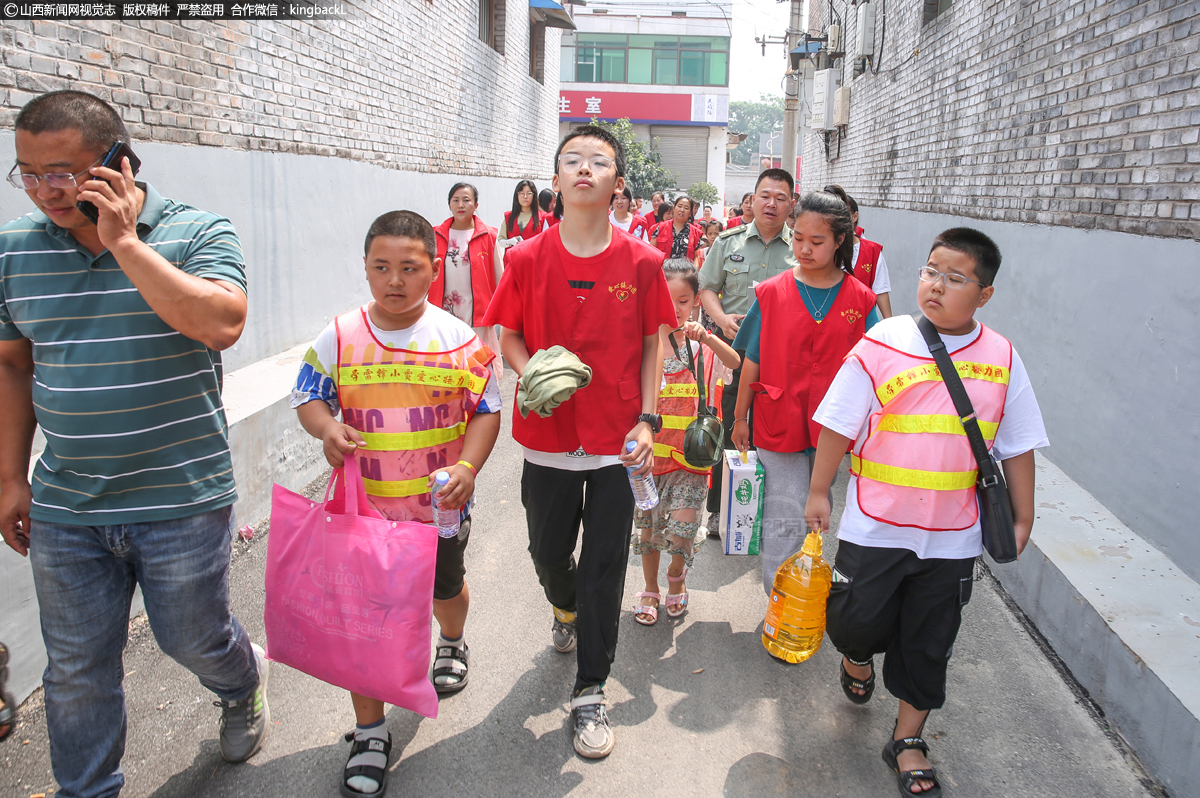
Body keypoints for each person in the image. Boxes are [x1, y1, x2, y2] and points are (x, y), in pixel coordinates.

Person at [0, 90, 265, 797]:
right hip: (67, 504)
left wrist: (124, 242)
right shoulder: (13, 251)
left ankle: (243, 682)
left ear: (116, 163)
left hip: (181, 496)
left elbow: (221, 324)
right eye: (25, 172)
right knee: (77, 669)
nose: (42, 190)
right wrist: (10, 476)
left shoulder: (197, 231)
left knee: (192, 638)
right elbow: (14, 365)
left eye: (60, 172)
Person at [805, 228, 1047, 798]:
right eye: (930, 271)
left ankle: (908, 738)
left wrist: (1023, 515)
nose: (935, 285)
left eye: (955, 277)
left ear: (984, 293)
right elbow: (839, 421)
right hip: (875, 522)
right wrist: (820, 490)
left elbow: (1017, 444)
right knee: (851, 622)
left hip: (953, 535)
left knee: (930, 639)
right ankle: (858, 659)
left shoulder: (1003, 357)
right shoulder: (884, 340)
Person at [483, 124, 677, 760]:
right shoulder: (526, 258)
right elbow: (505, 332)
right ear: (556, 179)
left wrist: (648, 418)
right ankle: (563, 608)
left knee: (603, 569)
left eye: (600, 161)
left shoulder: (643, 263)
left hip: (617, 441)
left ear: (617, 181)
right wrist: (526, 367)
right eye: (573, 160)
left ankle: (591, 690)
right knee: (548, 554)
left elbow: (653, 343)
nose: (585, 169)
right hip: (546, 437)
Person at [292, 210, 501, 798]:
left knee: (445, 592)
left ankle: (452, 641)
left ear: (433, 272)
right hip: (366, 515)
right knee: (367, 624)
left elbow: (486, 410)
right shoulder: (338, 336)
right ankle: (370, 732)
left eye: (409, 268)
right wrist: (327, 429)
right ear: (365, 268)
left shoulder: (459, 340)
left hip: (439, 511)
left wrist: (466, 467)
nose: (394, 280)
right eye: (381, 267)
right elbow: (309, 396)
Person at [730, 191, 880, 597]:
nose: (804, 249)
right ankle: (779, 603)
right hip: (778, 419)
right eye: (798, 239)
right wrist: (740, 415)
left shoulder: (861, 300)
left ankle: (801, 592)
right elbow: (753, 360)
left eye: (817, 242)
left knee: (814, 511)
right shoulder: (772, 292)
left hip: (832, 427)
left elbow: (877, 367)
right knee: (783, 514)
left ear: (839, 242)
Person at [631, 260, 740, 625]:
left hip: (691, 464)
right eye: (666, 298)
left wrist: (707, 336)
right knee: (650, 530)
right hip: (648, 463)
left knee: (682, 531)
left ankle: (676, 582)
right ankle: (650, 588)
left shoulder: (698, 347)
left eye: (683, 300)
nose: (674, 308)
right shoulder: (641, 345)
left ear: (695, 302)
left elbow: (734, 361)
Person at [697, 169, 797, 537]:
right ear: (752, 199)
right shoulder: (728, 242)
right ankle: (719, 510)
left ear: (791, 204)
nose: (771, 203)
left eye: (780, 197)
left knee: (774, 434)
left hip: (782, 360)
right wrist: (722, 320)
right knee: (728, 429)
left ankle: (765, 510)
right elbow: (707, 288)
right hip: (736, 355)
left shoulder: (800, 249)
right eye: (765, 195)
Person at [431, 182, 503, 371]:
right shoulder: (435, 234)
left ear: (476, 205)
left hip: (476, 309)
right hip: (444, 307)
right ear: (449, 204)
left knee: (476, 363)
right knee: (447, 360)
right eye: (456, 200)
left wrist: (501, 310)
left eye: (466, 200)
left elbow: (499, 276)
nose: (460, 205)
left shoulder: (489, 235)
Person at [824, 184, 893, 319]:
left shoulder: (872, 251)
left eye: (841, 215)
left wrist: (889, 327)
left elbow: (881, 292)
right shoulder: (823, 250)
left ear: (854, 216)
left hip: (861, 327)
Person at [502, 179, 545, 243]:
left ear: (534, 195)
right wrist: (511, 241)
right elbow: (500, 240)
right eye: (521, 193)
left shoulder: (543, 217)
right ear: (517, 196)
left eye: (529, 193)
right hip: (512, 252)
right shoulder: (509, 217)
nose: (525, 196)